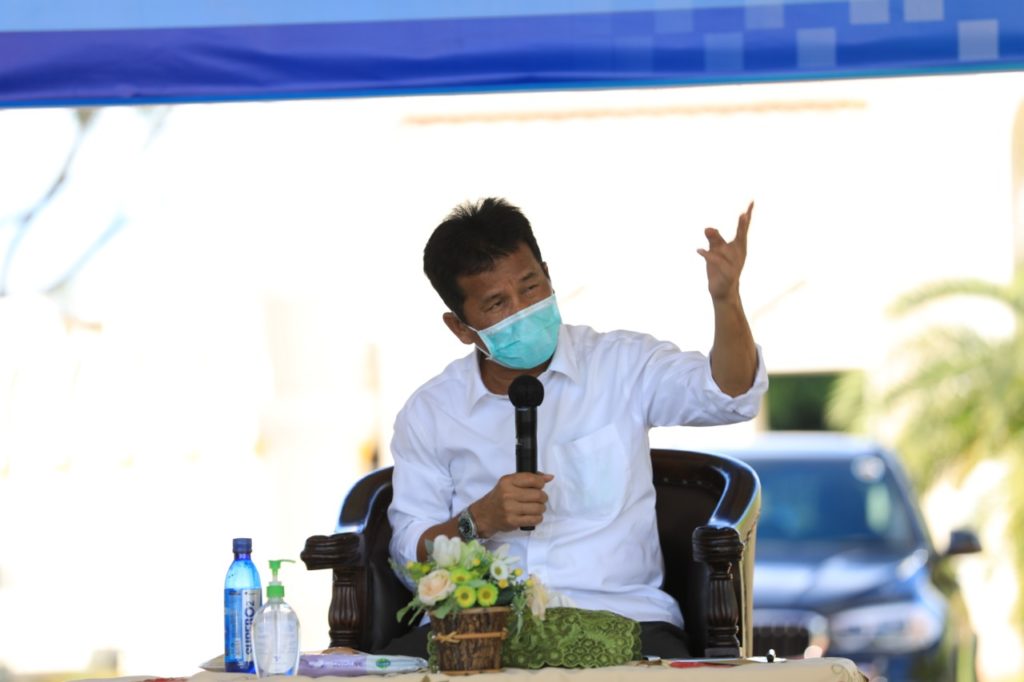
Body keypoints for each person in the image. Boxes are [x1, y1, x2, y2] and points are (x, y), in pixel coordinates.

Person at [383, 197, 768, 658]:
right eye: (497, 304)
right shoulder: (430, 412)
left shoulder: (621, 365)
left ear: (548, 276)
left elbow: (729, 395)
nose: (523, 309)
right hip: (479, 627)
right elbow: (408, 556)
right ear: (461, 328)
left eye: (531, 287)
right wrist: (477, 520)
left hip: (623, 619)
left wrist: (726, 300)